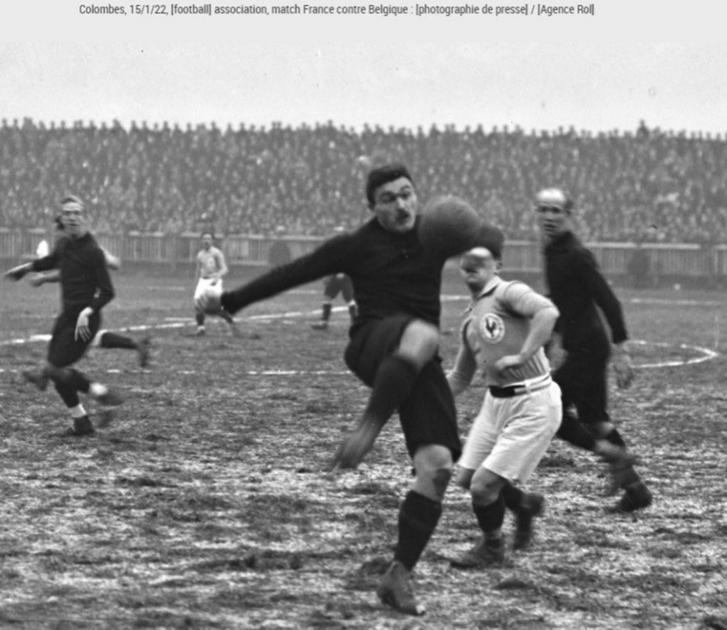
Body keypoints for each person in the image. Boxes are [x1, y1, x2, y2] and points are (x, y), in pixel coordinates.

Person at [199, 163, 503, 615]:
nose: (401, 204)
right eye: (388, 198)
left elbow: (489, 237)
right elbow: (293, 272)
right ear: (372, 207)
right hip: (371, 345)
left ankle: (398, 575)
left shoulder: (434, 233)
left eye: (406, 193)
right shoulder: (356, 245)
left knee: (438, 468)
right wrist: (229, 301)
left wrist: (477, 232)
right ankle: (367, 427)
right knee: (422, 334)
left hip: (419, 362)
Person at [535, 188, 652, 513]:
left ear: (568, 215)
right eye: (543, 209)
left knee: (549, 410)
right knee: (594, 419)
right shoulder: (553, 251)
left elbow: (607, 299)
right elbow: (561, 300)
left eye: (556, 210)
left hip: (589, 347)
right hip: (584, 345)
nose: (548, 216)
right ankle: (636, 490)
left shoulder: (576, 254)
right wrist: (548, 341)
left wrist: (622, 348)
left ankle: (614, 455)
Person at [446, 246, 562, 568]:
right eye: (466, 262)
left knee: (483, 487)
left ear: (497, 265)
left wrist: (522, 356)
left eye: (481, 260)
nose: (472, 265)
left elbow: (548, 312)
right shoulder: (470, 319)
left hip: (533, 401)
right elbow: (460, 378)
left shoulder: (508, 292)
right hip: (495, 403)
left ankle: (493, 547)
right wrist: (418, 397)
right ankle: (523, 505)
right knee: (467, 478)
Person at [3, 195, 123, 436]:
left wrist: (89, 310)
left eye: (77, 213)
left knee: (53, 368)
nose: (72, 217)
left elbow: (108, 291)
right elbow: (51, 260)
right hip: (66, 317)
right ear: (62, 217)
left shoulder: (93, 251)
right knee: (57, 373)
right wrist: (25, 268)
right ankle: (81, 421)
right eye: (67, 213)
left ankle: (103, 395)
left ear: (84, 217)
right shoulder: (64, 243)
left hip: (85, 322)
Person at [30, 216, 151, 368]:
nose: (55, 236)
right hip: (82, 297)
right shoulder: (71, 246)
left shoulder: (82, 248)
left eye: (56, 232)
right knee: (88, 336)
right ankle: (135, 344)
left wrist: (44, 278)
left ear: (65, 229)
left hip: (85, 298)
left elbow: (114, 263)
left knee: (78, 335)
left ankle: (59, 371)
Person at [193, 231, 239, 337]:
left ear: (212, 241)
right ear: (201, 241)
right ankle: (201, 328)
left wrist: (217, 276)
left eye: (208, 239)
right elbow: (197, 270)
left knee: (216, 307)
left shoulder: (217, 253)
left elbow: (224, 269)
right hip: (202, 281)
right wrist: (196, 283)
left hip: (214, 281)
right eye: (204, 239)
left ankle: (230, 322)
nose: (206, 241)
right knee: (198, 304)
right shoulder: (200, 254)